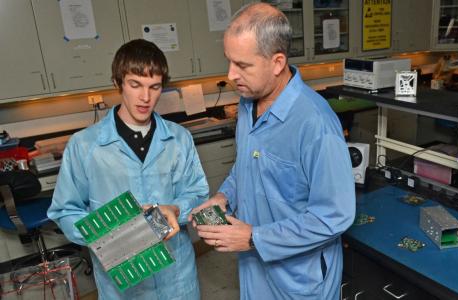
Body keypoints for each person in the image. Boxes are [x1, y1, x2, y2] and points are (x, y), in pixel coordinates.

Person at [191, 3, 355, 300]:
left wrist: (254, 238)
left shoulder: (315, 124)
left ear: (277, 62)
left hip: (299, 281)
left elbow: (335, 215)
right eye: (229, 61)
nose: (231, 75)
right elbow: (247, 168)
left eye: (242, 65)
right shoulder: (247, 102)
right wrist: (224, 197)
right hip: (254, 268)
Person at [47, 39, 208, 299]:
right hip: (122, 284)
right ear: (118, 82)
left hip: (177, 278)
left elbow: (198, 193)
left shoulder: (179, 139)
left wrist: (175, 209)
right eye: (135, 85)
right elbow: (65, 210)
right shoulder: (85, 145)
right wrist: (111, 232)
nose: (145, 97)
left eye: (154, 87)